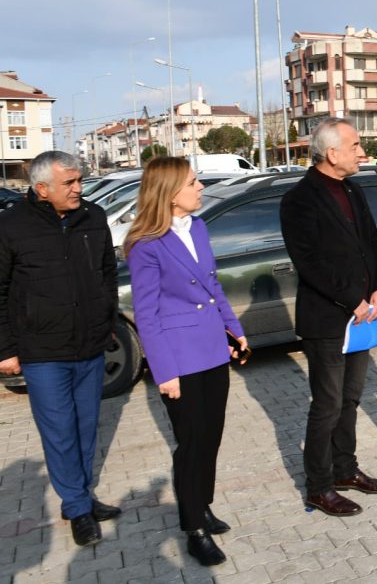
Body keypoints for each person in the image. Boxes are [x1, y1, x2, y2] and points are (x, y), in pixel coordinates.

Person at [125, 157, 248, 567]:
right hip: (179, 358)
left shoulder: (198, 227)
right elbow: (146, 314)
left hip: (212, 347)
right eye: (193, 183)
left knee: (211, 435)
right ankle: (193, 527)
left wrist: (234, 328)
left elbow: (212, 284)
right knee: (191, 443)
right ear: (170, 192)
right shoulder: (146, 245)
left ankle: (203, 504)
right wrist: (165, 372)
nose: (200, 188)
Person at [0, 151, 121, 548]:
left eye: (79, 180)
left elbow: (106, 274)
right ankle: (77, 506)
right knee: (60, 432)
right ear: (41, 189)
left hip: (88, 343)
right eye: (69, 183)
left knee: (86, 428)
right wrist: (6, 349)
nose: (78, 188)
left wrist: (105, 319)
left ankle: (80, 496)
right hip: (41, 350)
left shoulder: (94, 217)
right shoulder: (11, 225)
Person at [280, 118, 377, 517]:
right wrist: (353, 300)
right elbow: (308, 263)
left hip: (364, 316)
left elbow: (372, 246)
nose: (363, 153)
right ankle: (319, 486)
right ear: (332, 153)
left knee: (350, 399)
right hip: (328, 320)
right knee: (326, 405)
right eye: (356, 146)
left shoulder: (353, 189)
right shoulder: (299, 199)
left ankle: (346, 470)